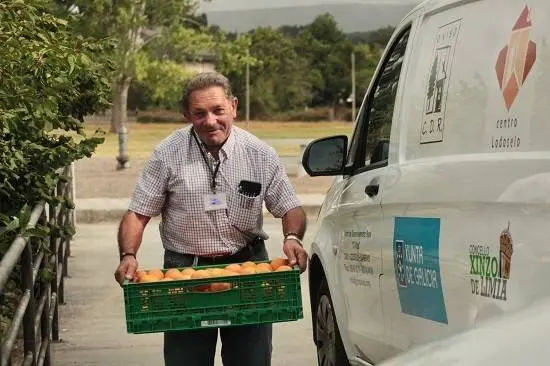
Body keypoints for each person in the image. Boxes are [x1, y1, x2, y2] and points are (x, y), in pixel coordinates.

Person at [113, 71, 308, 366]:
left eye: (218, 110)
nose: (210, 121)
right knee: (186, 360)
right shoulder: (167, 154)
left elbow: (290, 206)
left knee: (251, 360)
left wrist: (292, 238)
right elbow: (137, 213)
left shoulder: (260, 154)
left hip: (248, 270)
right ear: (186, 115)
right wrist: (128, 255)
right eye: (199, 113)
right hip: (183, 274)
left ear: (233, 106)